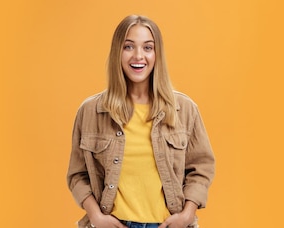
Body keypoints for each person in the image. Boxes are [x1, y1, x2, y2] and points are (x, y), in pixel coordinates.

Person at [66, 15, 215, 228]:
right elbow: (77, 175)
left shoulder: (184, 110)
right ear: (117, 51)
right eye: (128, 47)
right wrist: (96, 217)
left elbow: (202, 167)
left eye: (147, 47)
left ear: (157, 54)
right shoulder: (91, 111)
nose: (138, 56)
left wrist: (187, 214)